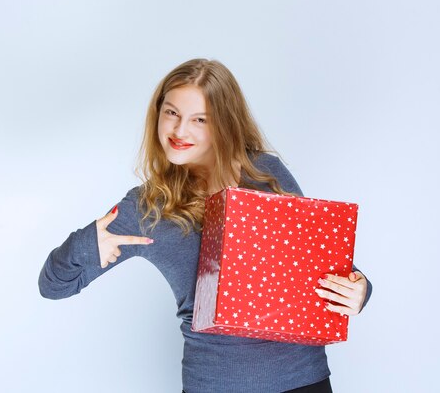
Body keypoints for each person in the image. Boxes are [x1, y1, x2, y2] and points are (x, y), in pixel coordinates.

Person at [38, 58, 372, 393]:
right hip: (214, 384)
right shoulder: (147, 207)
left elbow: (321, 268)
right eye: (172, 113)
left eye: (200, 119)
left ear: (224, 124)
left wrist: (360, 290)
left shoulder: (263, 174)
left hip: (303, 380)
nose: (180, 131)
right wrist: (85, 244)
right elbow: (53, 286)